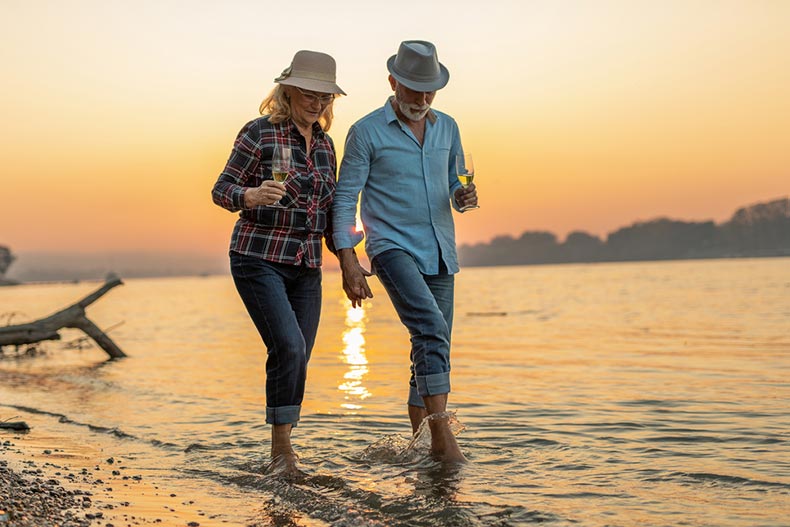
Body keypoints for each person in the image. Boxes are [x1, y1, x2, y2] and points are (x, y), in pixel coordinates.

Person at [332, 40, 477, 463]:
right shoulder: (366, 131)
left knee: (430, 342)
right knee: (431, 330)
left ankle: (419, 446)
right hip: (391, 247)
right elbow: (345, 200)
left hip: (440, 251)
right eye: (413, 89)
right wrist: (348, 260)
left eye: (429, 90)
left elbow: (455, 183)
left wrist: (462, 196)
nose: (422, 99)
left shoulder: (448, 126)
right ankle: (444, 441)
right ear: (393, 81)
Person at [212, 50, 345, 476]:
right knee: (287, 345)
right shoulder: (259, 133)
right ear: (287, 91)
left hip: (307, 265)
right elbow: (221, 188)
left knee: (299, 354)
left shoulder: (326, 147)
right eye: (309, 94)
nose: (317, 103)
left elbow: (328, 213)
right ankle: (281, 453)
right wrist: (248, 196)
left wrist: (350, 263)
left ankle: (285, 450)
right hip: (258, 257)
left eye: (325, 97)